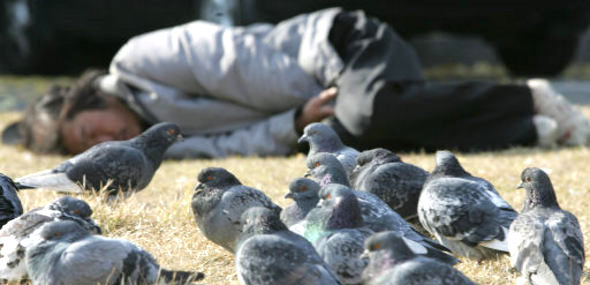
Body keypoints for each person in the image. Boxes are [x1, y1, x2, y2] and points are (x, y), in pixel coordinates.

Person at [3, 8, 590, 158]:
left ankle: (528, 97)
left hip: (338, 47)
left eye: (91, 131)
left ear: (89, 99)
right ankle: (530, 129)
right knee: (356, 146)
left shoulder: (140, 58)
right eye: (89, 151)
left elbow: (239, 59)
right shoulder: (157, 145)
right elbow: (229, 147)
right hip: (316, 100)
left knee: (360, 120)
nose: (105, 145)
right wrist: (294, 124)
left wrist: (313, 98)